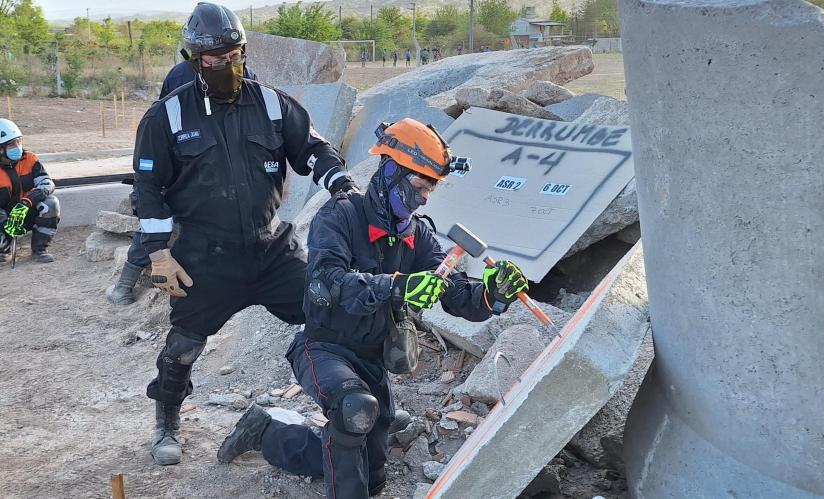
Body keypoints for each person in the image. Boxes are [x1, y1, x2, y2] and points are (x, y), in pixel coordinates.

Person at [215, 118, 530, 498]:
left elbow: (455, 294)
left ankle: (266, 432)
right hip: (323, 348)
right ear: (391, 173)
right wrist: (399, 285)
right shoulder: (339, 216)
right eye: (417, 187)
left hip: (371, 358)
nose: (424, 199)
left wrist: (492, 296)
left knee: (369, 474)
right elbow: (326, 285)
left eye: (430, 190)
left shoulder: (418, 234)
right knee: (354, 410)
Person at [134, 2, 359, 467]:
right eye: (211, 59)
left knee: (328, 317)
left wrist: (342, 187)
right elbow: (148, 190)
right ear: (193, 60)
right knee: (184, 345)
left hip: (272, 250)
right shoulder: (167, 117)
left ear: (243, 51)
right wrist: (158, 254)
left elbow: (314, 151)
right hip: (204, 258)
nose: (223, 65)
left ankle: (354, 406)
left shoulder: (273, 104)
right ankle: (167, 422)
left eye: (232, 55)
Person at [107, 49, 259, 305]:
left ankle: (124, 286)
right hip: (213, 164)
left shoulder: (181, 74)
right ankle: (127, 284)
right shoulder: (238, 71)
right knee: (161, 218)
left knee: (157, 218)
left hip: (192, 163)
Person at [0, 118, 59, 264]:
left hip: (25, 211)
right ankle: (4, 248)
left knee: (50, 203)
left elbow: (46, 184)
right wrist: (6, 223)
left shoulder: (30, 159)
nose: (17, 147)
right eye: (11, 144)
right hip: (4, 218)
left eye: (18, 141)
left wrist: (26, 203)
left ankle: (39, 249)